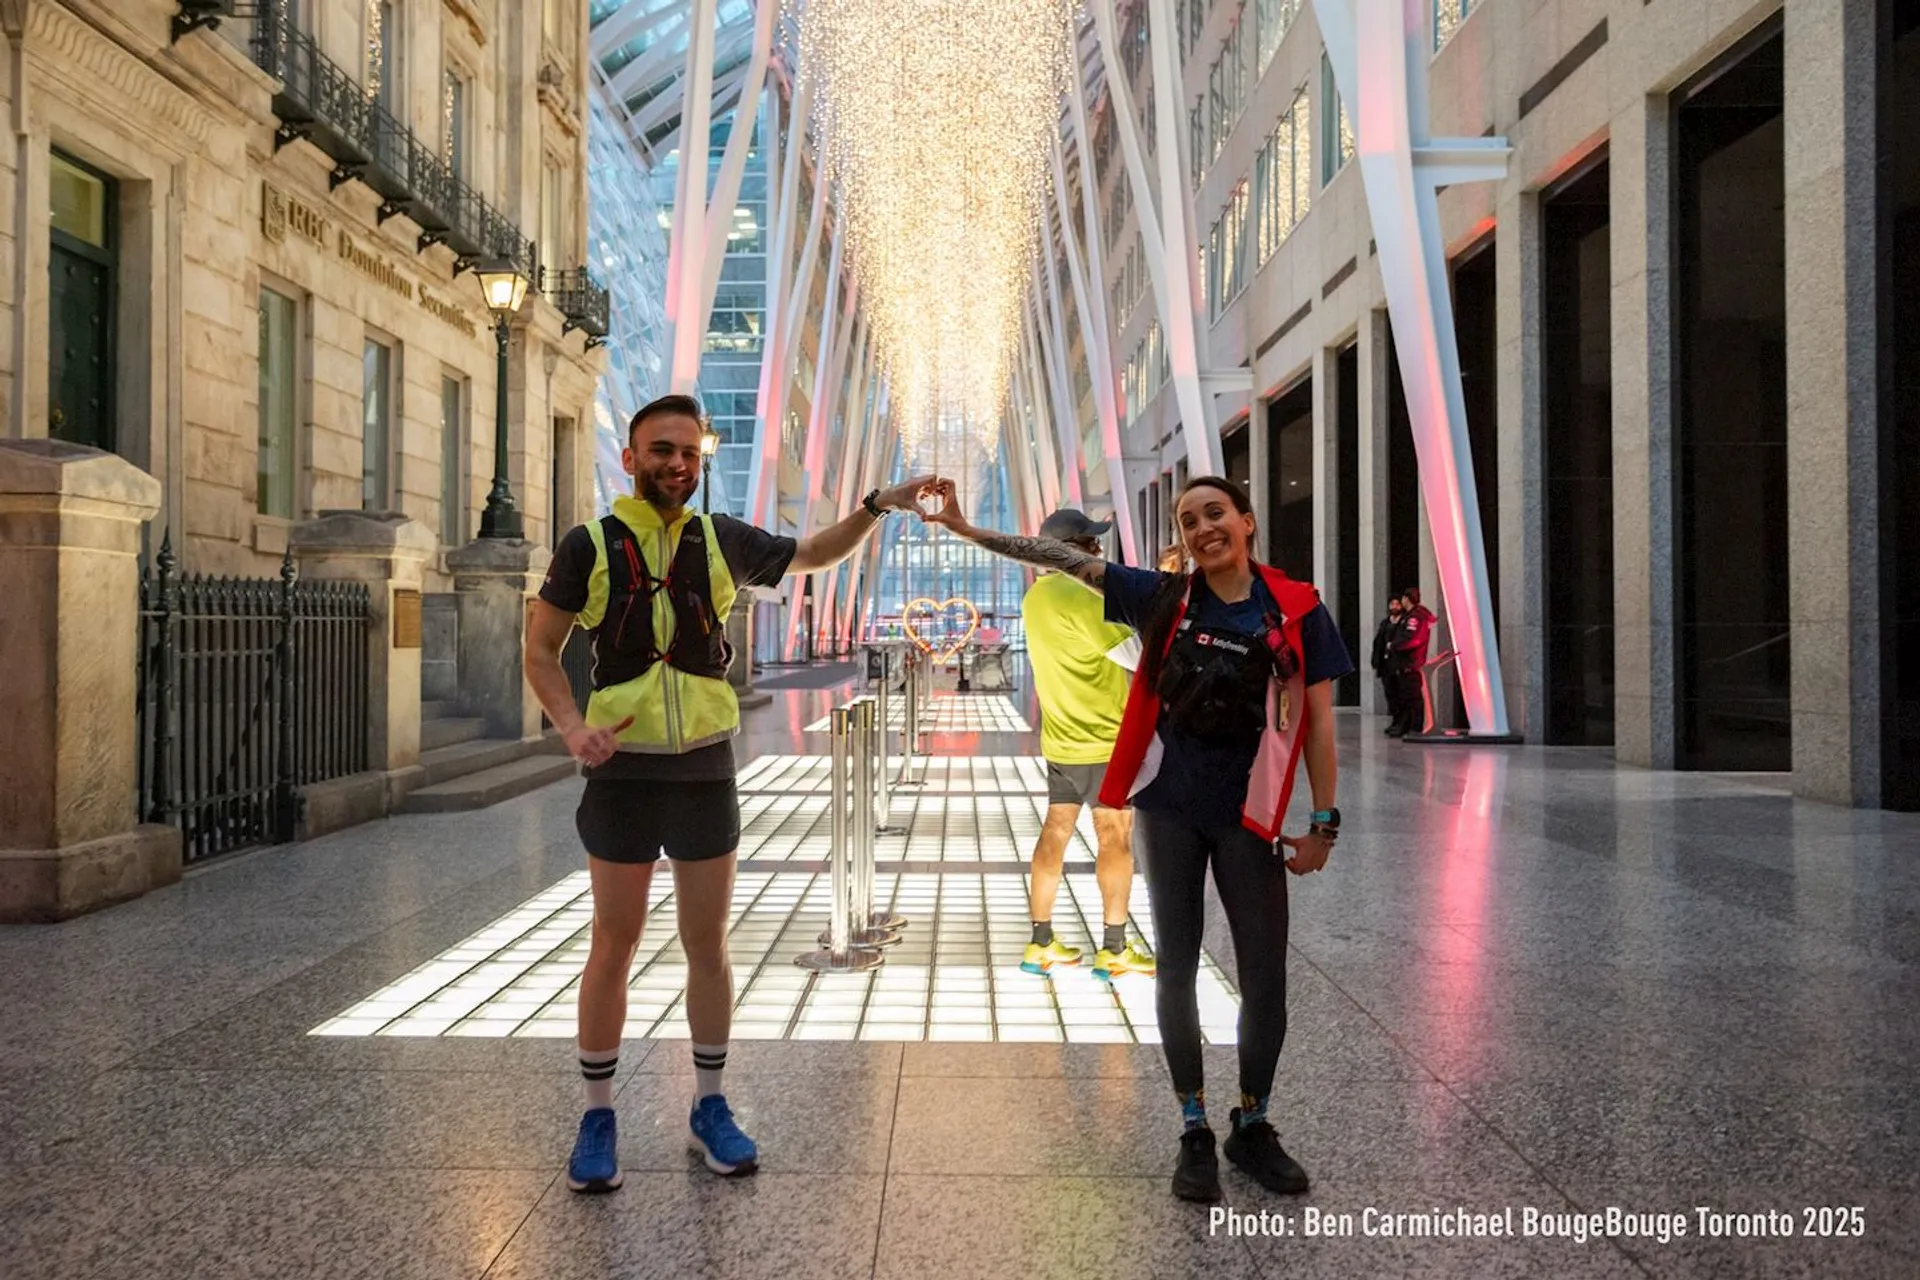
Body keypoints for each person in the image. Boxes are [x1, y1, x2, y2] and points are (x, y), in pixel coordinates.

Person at [525, 393, 938, 1193]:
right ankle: (598, 1114)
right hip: (622, 773)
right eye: (661, 450)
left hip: (704, 768)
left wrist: (878, 506)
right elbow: (541, 649)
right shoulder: (590, 545)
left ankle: (709, 1104)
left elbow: (815, 553)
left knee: (708, 944)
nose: (677, 464)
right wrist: (574, 727)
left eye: (689, 453)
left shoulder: (720, 540)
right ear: (632, 458)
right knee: (613, 941)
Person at [924, 474, 1350, 1205]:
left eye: (1215, 513)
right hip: (1170, 807)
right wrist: (964, 530)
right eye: (1189, 519)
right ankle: (1193, 1127)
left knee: (1265, 975)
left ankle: (1253, 1120)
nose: (1203, 527)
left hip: (1249, 816)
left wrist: (1324, 822)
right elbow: (1054, 556)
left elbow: (1318, 723)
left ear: (1246, 522)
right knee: (1176, 965)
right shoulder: (1162, 599)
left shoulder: (1299, 609)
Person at [1017, 508, 1156, 982]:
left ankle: (1040, 942)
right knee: (1114, 835)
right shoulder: (1085, 597)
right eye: (1092, 543)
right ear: (1074, 549)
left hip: (1060, 737)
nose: (1099, 551)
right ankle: (1114, 948)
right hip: (1104, 738)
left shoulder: (1036, 597)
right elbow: (1138, 657)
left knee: (1055, 829)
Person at [1387, 587, 1436, 738]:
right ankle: (1407, 727)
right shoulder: (1410, 616)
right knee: (1406, 697)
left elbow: (1412, 639)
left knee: (1413, 698)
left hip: (1410, 663)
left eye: (1402, 599)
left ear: (1407, 599)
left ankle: (1415, 728)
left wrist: (1394, 645)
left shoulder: (1415, 618)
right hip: (1405, 664)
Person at [1370, 597, 1406, 734]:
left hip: (1398, 664)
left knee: (1400, 693)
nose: (1395, 606)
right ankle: (1395, 721)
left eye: (1397, 604)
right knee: (1390, 694)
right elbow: (1378, 642)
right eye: (1392, 604)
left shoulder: (1404, 622)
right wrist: (1375, 660)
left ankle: (1403, 722)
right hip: (1386, 665)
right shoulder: (1385, 623)